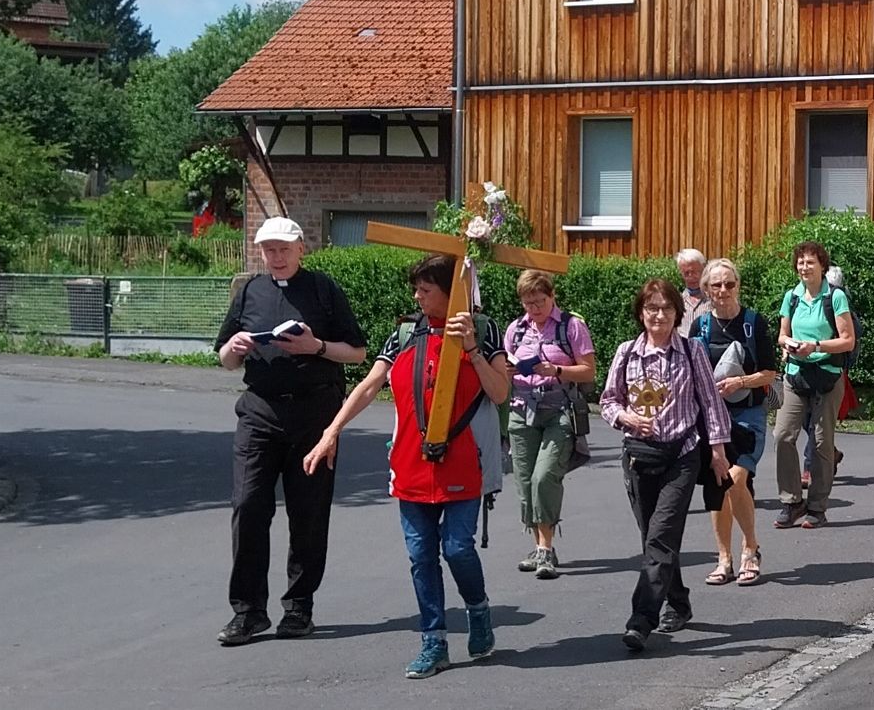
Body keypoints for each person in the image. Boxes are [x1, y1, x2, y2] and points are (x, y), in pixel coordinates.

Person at [302, 254, 507, 679]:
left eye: (425, 290)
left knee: (457, 548)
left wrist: (471, 348)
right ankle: (433, 642)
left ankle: (478, 611)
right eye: (416, 289)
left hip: (464, 460)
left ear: (451, 295)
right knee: (420, 556)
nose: (416, 296)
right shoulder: (404, 334)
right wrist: (332, 431)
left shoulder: (485, 330)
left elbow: (500, 392)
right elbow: (370, 384)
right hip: (411, 463)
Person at [212, 216, 368, 645]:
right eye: (268, 250)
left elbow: (356, 353)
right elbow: (224, 359)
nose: (276, 257)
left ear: (302, 248)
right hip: (259, 415)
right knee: (247, 507)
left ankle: (299, 609)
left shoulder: (323, 290)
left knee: (309, 515)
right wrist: (234, 347)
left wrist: (315, 346)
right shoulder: (249, 291)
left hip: (314, 418)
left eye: (283, 249)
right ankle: (247, 612)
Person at [601, 278, 732, 652]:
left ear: (677, 314)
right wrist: (626, 418)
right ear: (641, 313)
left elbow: (710, 403)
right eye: (652, 308)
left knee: (660, 537)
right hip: (639, 457)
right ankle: (678, 602)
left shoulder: (692, 352)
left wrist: (719, 451)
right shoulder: (627, 352)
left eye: (667, 309)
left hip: (682, 454)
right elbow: (609, 401)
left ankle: (641, 620)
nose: (659, 315)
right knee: (654, 540)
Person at [504, 269, 597, 579]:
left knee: (545, 476)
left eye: (540, 302)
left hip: (559, 410)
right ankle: (538, 547)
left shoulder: (572, 325)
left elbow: (588, 372)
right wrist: (505, 370)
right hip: (521, 409)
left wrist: (554, 370)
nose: (534, 309)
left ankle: (546, 548)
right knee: (525, 481)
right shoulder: (516, 330)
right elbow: (504, 367)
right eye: (528, 303)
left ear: (552, 295)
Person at [688, 259, 774, 587]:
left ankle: (750, 548)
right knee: (717, 483)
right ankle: (723, 557)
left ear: (738, 285)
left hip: (748, 414)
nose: (723, 291)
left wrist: (741, 383)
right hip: (713, 416)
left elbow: (770, 373)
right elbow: (693, 370)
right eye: (716, 286)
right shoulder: (701, 327)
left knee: (736, 479)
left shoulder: (754, 322)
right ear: (706, 289)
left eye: (729, 284)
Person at [772, 241, 855, 530]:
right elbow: (782, 335)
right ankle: (792, 501)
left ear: (822, 266)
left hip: (828, 376)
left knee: (821, 444)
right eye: (800, 262)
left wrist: (815, 345)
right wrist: (790, 345)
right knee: (783, 435)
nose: (804, 267)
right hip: (796, 375)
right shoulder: (791, 297)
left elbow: (847, 340)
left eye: (810, 262)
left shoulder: (836, 297)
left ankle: (817, 508)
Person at [801, 264, 851, 488]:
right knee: (806, 422)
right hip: (802, 372)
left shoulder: (839, 303)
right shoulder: (801, 299)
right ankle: (831, 453)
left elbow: (851, 339)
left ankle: (810, 468)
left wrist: (825, 349)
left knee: (817, 425)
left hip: (831, 372)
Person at [675, 248, 711, 336]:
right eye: (686, 273)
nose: (691, 277)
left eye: (695, 272)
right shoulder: (676, 301)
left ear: (704, 269)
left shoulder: (714, 298)